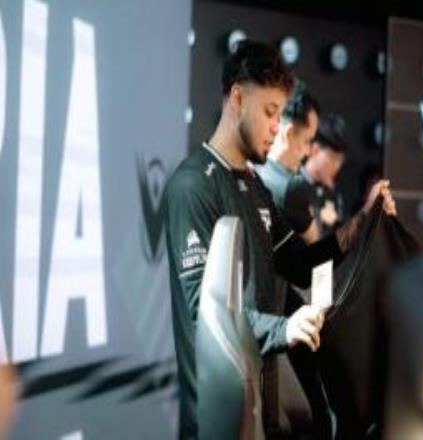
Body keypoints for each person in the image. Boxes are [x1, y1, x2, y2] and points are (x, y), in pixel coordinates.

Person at [165, 41, 344, 439]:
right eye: (269, 112)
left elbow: (298, 264)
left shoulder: (254, 185)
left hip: (263, 412)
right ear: (237, 98)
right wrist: (284, 329)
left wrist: (355, 231)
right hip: (219, 421)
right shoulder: (193, 186)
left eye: (280, 114)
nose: (276, 127)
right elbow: (204, 314)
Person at [285, 112, 397, 249]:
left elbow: (341, 239)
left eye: (340, 160)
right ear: (315, 150)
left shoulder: (333, 195)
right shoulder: (294, 184)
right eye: (333, 158)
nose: (337, 166)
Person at [257, 80, 320, 244]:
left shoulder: (250, 167)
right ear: (289, 133)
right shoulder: (292, 187)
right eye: (307, 140)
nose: (308, 152)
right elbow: (316, 244)